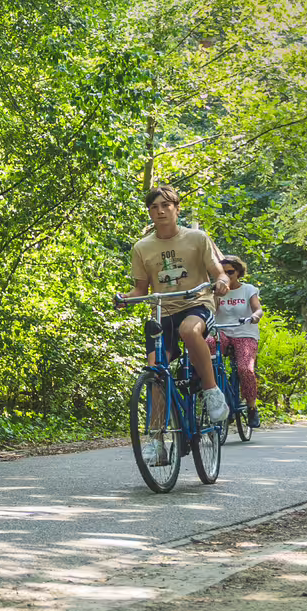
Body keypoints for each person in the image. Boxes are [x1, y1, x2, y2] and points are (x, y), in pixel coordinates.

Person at [124, 184, 231, 464]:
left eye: (165, 206)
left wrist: (221, 282)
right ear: (149, 212)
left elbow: (218, 272)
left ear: (176, 209)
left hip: (197, 304)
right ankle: (157, 441)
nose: (159, 211)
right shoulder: (142, 247)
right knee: (155, 370)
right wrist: (125, 298)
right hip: (163, 311)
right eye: (154, 207)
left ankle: (211, 392)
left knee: (188, 330)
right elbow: (141, 289)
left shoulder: (197, 238)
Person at [212, 256, 264, 429]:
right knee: (206, 347)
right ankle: (215, 395)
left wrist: (255, 317)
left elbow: (257, 309)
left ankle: (251, 407)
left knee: (244, 368)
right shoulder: (217, 291)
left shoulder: (248, 289)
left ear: (239, 272)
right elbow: (210, 311)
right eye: (223, 272)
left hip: (244, 333)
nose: (227, 275)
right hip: (223, 332)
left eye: (230, 272)